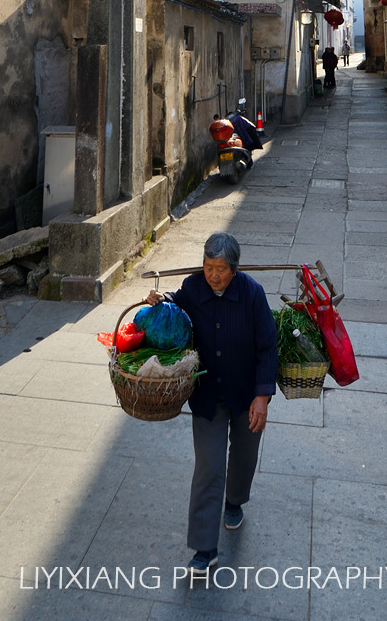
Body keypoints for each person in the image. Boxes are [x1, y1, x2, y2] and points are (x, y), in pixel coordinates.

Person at [145, 232, 277, 579]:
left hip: (246, 393)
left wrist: (261, 397)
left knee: (245, 454)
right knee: (208, 465)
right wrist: (160, 300)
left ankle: (234, 501)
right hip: (206, 394)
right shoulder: (193, 287)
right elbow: (176, 306)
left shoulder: (252, 294)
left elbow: (267, 347)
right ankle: (205, 549)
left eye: (221, 269)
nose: (214, 275)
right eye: (208, 267)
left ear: (234, 270)